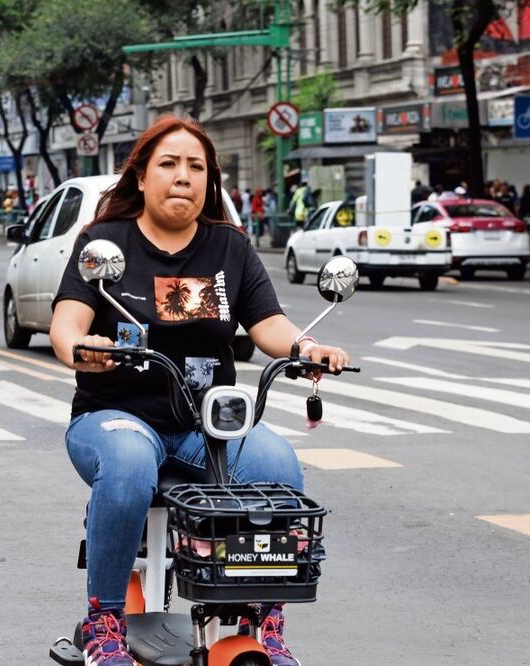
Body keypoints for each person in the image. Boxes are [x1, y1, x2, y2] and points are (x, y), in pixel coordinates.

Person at [48, 115, 350, 666]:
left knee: (278, 467)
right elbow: (65, 325)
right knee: (130, 463)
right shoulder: (104, 243)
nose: (182, 176)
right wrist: (81, 347)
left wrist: (307, 350)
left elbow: (269, 327)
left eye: (196, 167)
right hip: (114, 416)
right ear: (141, 177)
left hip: (203, 426)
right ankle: (105, 622)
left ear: (209, 181)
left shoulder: (228, 248)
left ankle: (265, 620)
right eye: (168, 163)